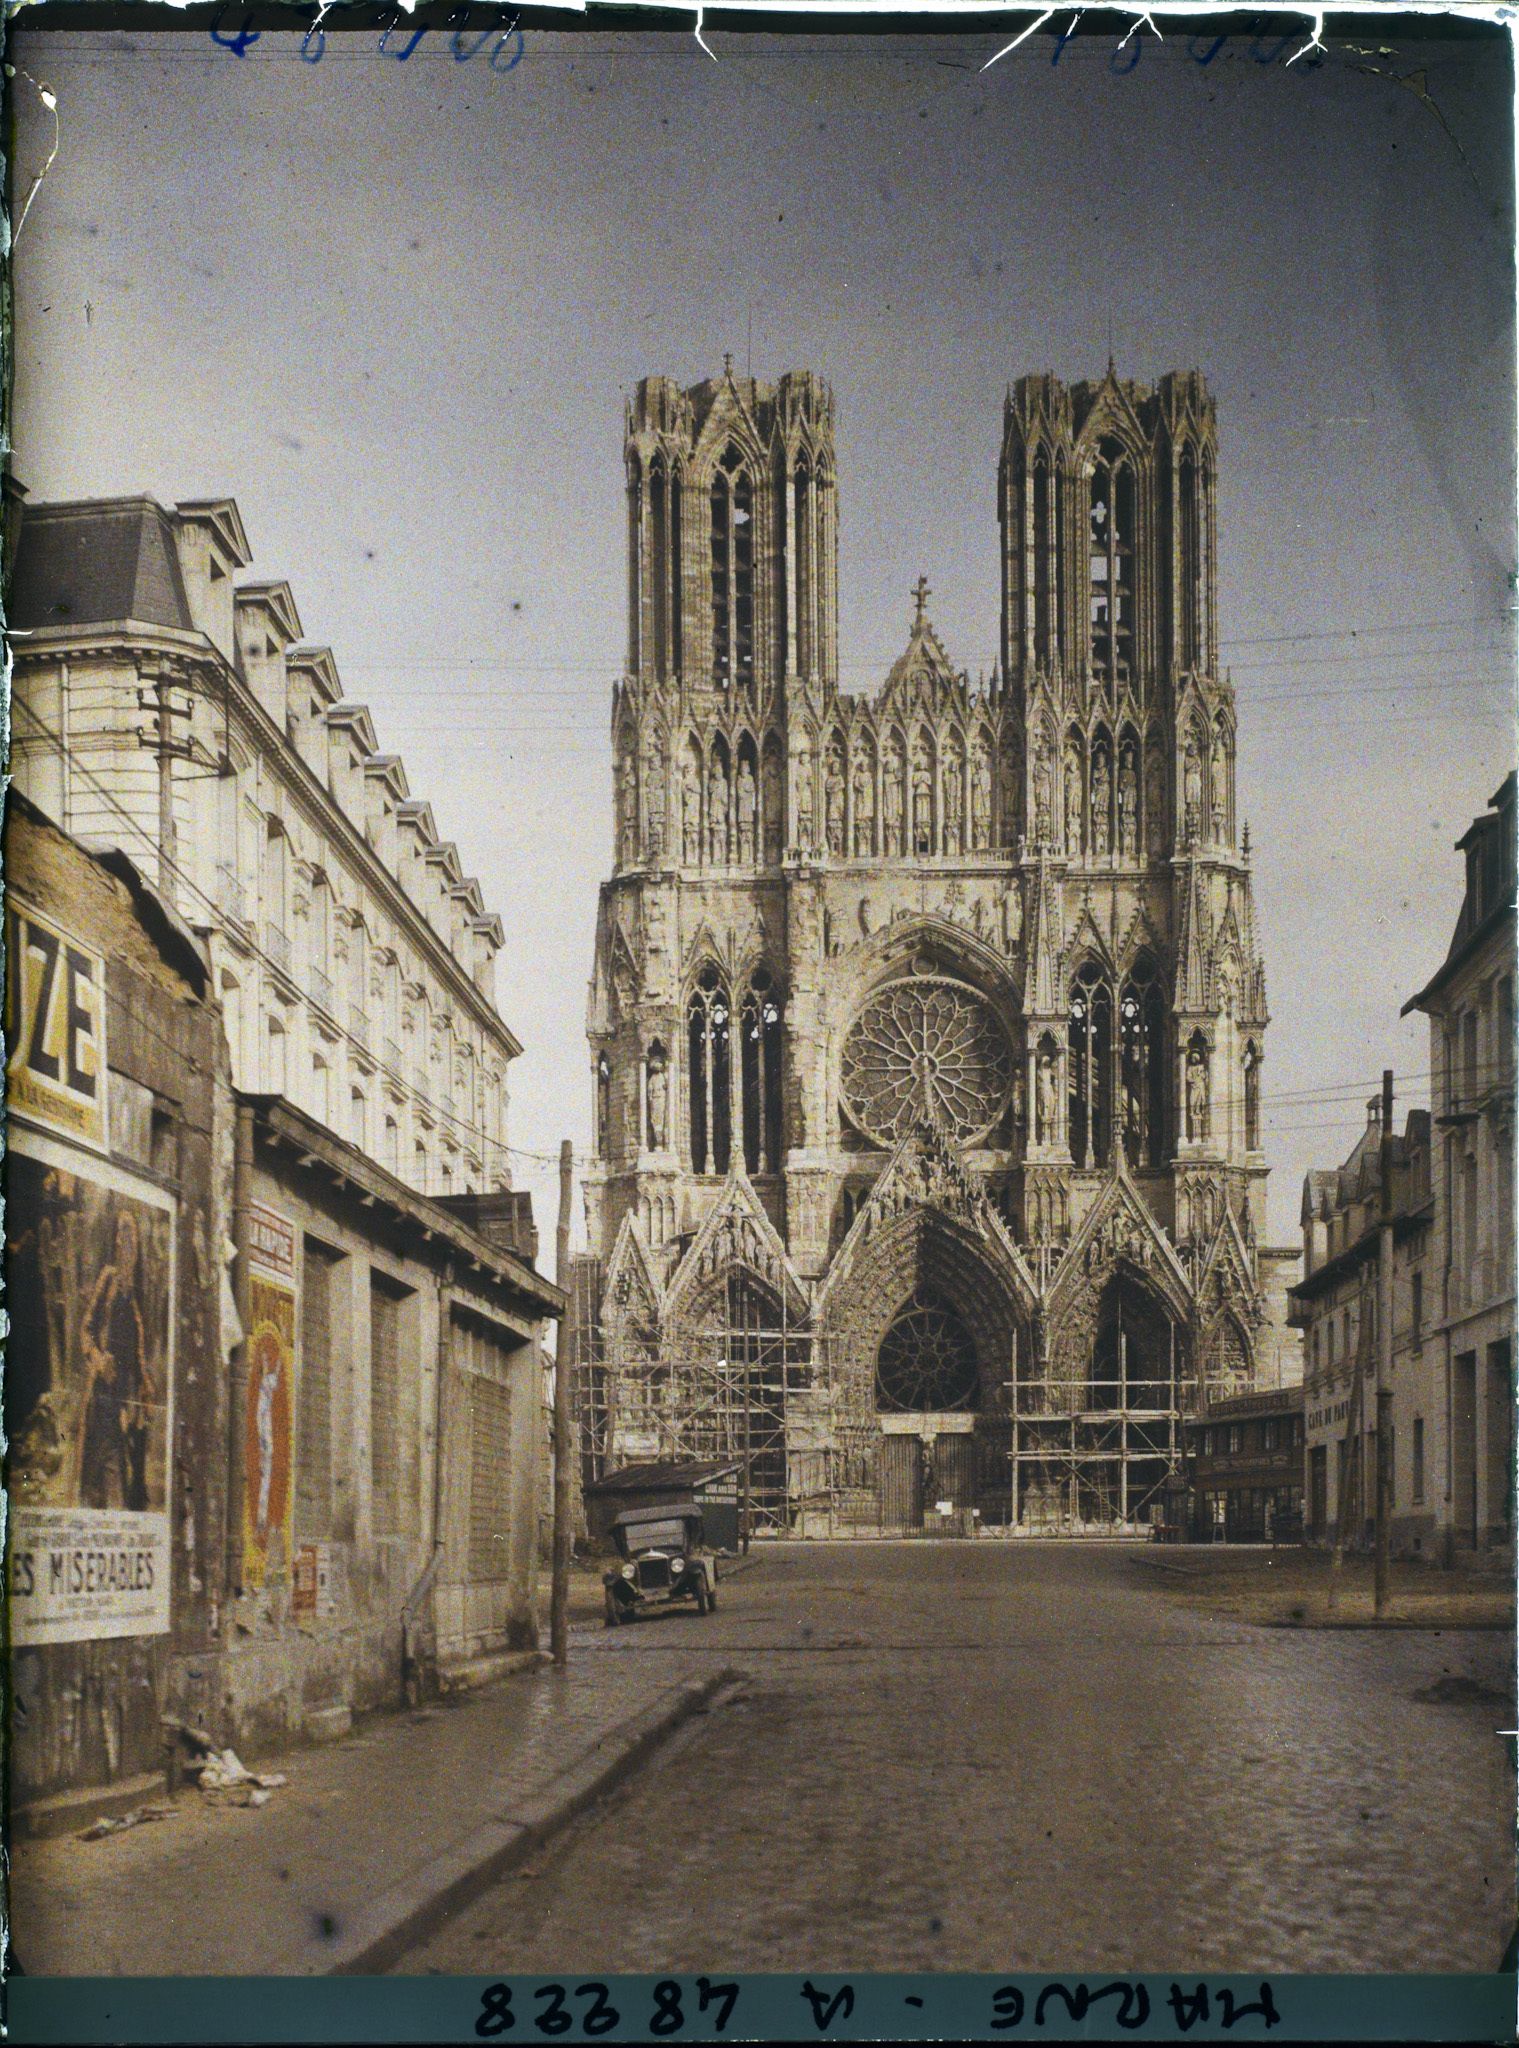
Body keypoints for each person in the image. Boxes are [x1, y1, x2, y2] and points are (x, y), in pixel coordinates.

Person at [78, 1208, 154, 1510]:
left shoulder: (138, 1294)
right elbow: (86, 1329)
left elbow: (139, 1355)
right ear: (115, 1240)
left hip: (126, 1403)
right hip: (101, 1399)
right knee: (95, 1485)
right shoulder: (108, 1279)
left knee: (126, 1488)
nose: (126, 1239)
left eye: (131, 1232)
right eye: (121, 1232)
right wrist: (98, 1358)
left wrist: (146, 1384)